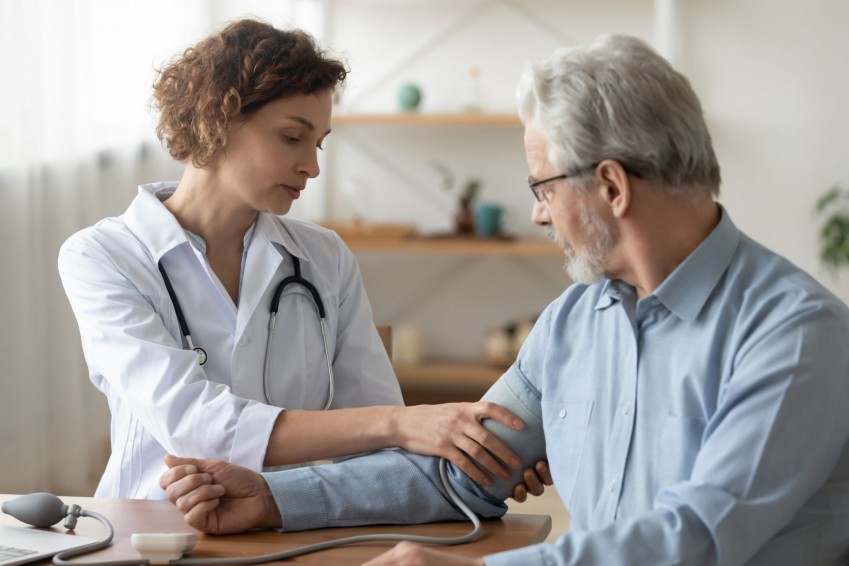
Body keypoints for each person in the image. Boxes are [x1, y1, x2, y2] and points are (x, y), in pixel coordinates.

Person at [160, 32, 849, 565]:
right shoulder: (574, 324)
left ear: (610, 186)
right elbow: (461, 471)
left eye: (541, 188)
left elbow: (696, 537)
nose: (539, 216)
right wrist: (273, 497)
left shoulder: (794, 334)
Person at [58, 19, 549, 501]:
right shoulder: (103, 257)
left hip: (284, 524)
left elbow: (381, 444)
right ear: (216, 119)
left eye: (319, 143)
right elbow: (195, 426)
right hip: (147, 532)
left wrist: (487, 461)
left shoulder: (324, 257)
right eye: (293, 138)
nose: (312, 167)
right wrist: (404, 422)